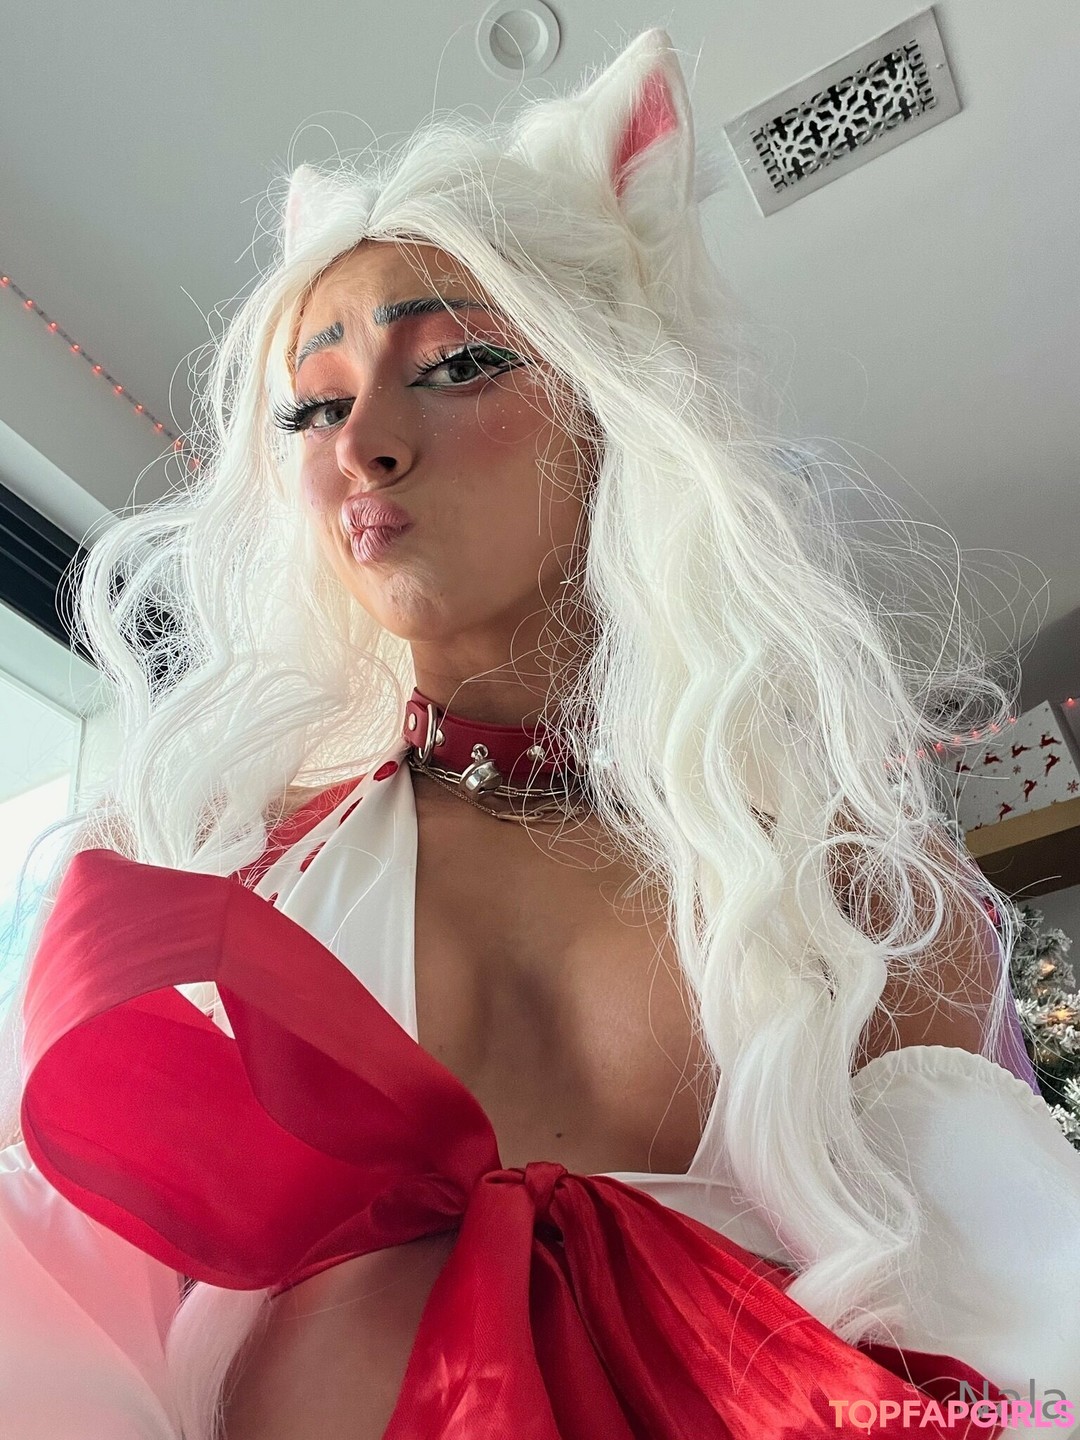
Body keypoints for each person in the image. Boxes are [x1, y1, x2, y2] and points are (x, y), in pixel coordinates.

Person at [1, 25, 1078, 1440]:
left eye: (454, 365)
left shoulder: (849, 903)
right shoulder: (207, 880)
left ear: (615, 404)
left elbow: (1013, 1353)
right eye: (313, 404)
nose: (362, 444)